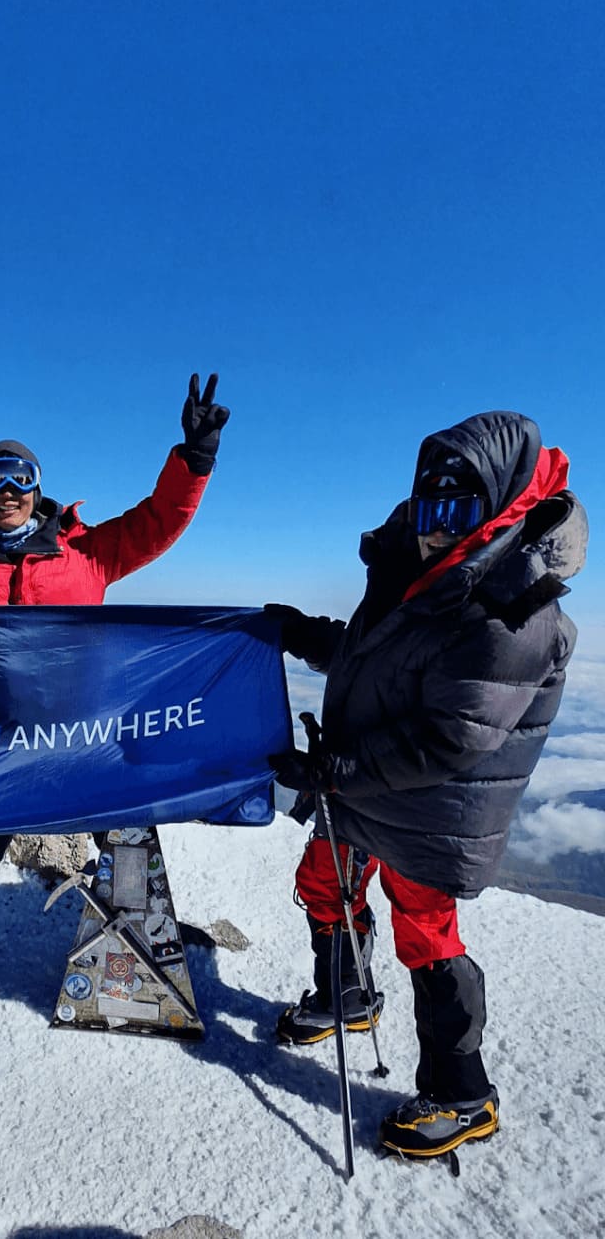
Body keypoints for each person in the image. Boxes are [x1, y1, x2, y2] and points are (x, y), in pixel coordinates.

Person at [268, 410, 586, 1159]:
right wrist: (305, 635)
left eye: (459, 510)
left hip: (427, 808)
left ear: (502, 505)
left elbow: (453, 737)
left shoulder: (514, 609)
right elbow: (377, 658)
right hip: (367, 790)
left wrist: (334, 769)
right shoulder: (428, 578)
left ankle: (462, 1093)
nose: (437, 527)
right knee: (325, 883)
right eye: (429, 509)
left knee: (426, 935)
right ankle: (346, 996)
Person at [0, 374, 230, 1017]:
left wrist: (193, 458)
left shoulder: (84, 552)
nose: (9, 489)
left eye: (21, 476)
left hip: (76, 736)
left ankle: (149, 932)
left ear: (38, 487)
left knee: (124, 838)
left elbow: (156, 522)